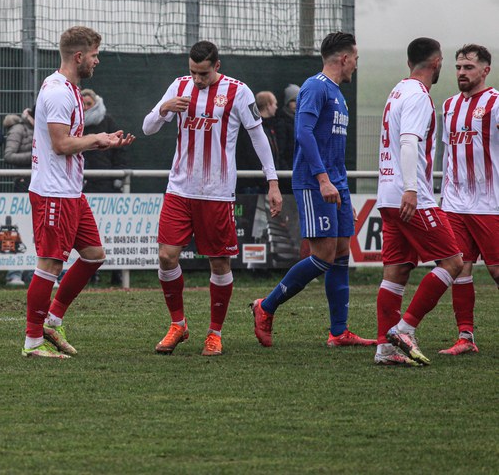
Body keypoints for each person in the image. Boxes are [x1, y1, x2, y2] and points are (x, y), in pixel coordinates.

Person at [142, 41, 283, 357]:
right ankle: (178, 325)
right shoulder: (179, 86)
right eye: (193, 72)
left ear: (217, 66)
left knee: (219, 262)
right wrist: (164, 108)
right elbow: (147, 128)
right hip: (179, 189)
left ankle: (214, 333)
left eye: (203, 74)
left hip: (217, 194)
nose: (197, 79)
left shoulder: (238, 91)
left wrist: (272, 182)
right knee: (166, 256)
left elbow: (258, 136)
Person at [250, 32, 375, 349]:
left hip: (336, 183)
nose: (356, 65)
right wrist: (322, 179)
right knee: (322, 257)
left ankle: (339, 332)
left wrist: (340, 187)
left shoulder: (337, 93)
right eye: (355, 59)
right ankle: (266, 307)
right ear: (344, 58)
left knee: (342, 253)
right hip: (314, 182)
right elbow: (303, 133)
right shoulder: (315, 87)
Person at [21, 26, 135, 358]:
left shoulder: (70, 89)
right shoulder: (58, 92)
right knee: (49, 265)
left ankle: (52, 321)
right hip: (53, 193)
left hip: (70, 192)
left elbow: (69, 143)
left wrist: (102, 142)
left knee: (94, 255)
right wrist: (96, 138)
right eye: (95, 56)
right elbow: (60, 144)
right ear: (79, 56)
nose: (97, 61)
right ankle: (32, 342)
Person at [373, 37, 464, 367]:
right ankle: (405, 329)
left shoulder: (398, 91)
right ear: (436, 63)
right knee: (453, 263)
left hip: (387, 194)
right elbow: (409, 142)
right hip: (411, 197)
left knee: (395, 272)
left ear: (409, 62)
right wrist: (411, 189)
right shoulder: (418, 96)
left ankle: (385, 350)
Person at [437, 44, 499, 355]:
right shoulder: (449, 105)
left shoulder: (496, 104)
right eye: (459, 67)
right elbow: (447, 154)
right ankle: (465, 337)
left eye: (469, 67)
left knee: (497, 271)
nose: (462, 72)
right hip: (454, 204)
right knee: (460, 269)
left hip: (489, 204)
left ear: (485, 70)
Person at [81, 88, 128, 286]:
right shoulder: (77, 124)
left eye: (89, 104)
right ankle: (92, 273)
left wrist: (117, 176)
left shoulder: (107, 121)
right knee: (90, 232)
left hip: (107, 184)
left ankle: (117, 273)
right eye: (83, 104)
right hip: (86, 185)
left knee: (112, 228)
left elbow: (120, 151)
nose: (85, 107)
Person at [2, 105, 35, 287]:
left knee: (36, 231)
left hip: (41, 184)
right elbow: (9, 155)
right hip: (24, 184)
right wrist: (35, 155)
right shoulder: (19, 129)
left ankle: (32, 273)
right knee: (20, 228)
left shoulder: (47, 130)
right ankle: (14, 274)